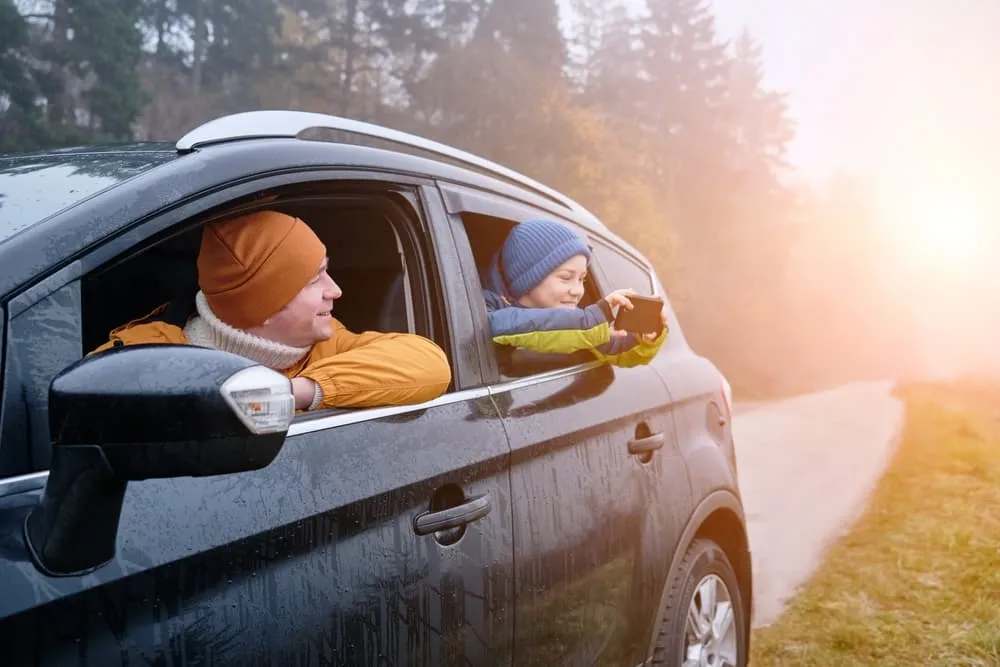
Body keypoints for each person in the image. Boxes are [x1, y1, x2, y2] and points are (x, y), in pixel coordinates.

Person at [91, 210, 452, 411]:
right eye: (315, 279)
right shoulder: (141, 356)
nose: (336, 291)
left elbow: (430, 364)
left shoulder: (328, 346)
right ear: (261, 306)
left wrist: (286, 393)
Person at [481, 219, 668, 367]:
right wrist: (594, 318)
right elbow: (509, 324)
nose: (578, 290)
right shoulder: (486, 307)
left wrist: (643, 338)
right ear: (527, 276)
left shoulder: (578, 324)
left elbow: (617, 351)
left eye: (582, 279)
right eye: (566, 277)